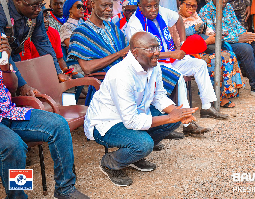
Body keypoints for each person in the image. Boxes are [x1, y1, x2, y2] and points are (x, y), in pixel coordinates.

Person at [85, 31, 198, 186]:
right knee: (144, 144)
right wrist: (170, 116)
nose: (157, 52)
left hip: (134, 114)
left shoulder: (153, 66)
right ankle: (110, 163)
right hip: (107, 123)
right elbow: (131, 121)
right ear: (135, 52)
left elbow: (158, 97)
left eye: (157, 47)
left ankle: (135, 156)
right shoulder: (121, 75)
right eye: (151, 49)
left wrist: (178, 113)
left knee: (173, 122)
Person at [0, 36, 88, 199]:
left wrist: (5, 66)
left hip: (8, 112)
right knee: (14, 145)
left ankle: (65, 189)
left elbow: (12, 86)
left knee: (58, 125)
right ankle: (17, 196)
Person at [126, 0, 229, 119]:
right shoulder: (135, 24)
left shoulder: (162, 12)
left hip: (171, 58)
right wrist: (171, 53)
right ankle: (186, 120)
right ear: (140, 7)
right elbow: (142, 54)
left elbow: (178, 19)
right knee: (177, 76)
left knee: (199, 64)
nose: (154, 9)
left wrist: (183, 43)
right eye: (149, 7)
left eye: (156, 5)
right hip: (153, 64)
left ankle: (206, 107)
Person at [200, 0, 255, 99]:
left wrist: (245, 34)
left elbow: (237, 25)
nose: (224, 1)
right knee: (246, 48)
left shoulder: (228, 7)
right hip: (225, 45)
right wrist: (238, 38)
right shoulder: (205, 11)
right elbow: (213, 36)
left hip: (238, 39)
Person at [179, 0, 244, 108]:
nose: (191, 8)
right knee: (217, 59)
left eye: (194, 6)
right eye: (188, 5)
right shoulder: (176, 20)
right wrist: (206, 41)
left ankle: (223, 94)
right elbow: (181, 45)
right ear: (180, 4)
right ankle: (214, 97)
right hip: (189, 54)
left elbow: (209, 31)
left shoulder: (196, 17)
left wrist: (213, 37)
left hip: (204, 49)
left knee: (229, 55)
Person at [0, 0, 70, 97]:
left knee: (16, 95)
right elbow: (2, 52)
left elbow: (43, 43)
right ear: (18, 1)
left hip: (14, 57)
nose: (38, 10)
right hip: (3, 58)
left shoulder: (36, 13)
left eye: (40, 5)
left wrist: (57, 72)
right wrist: (23, 85)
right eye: (34, 5)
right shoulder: (2, 10)